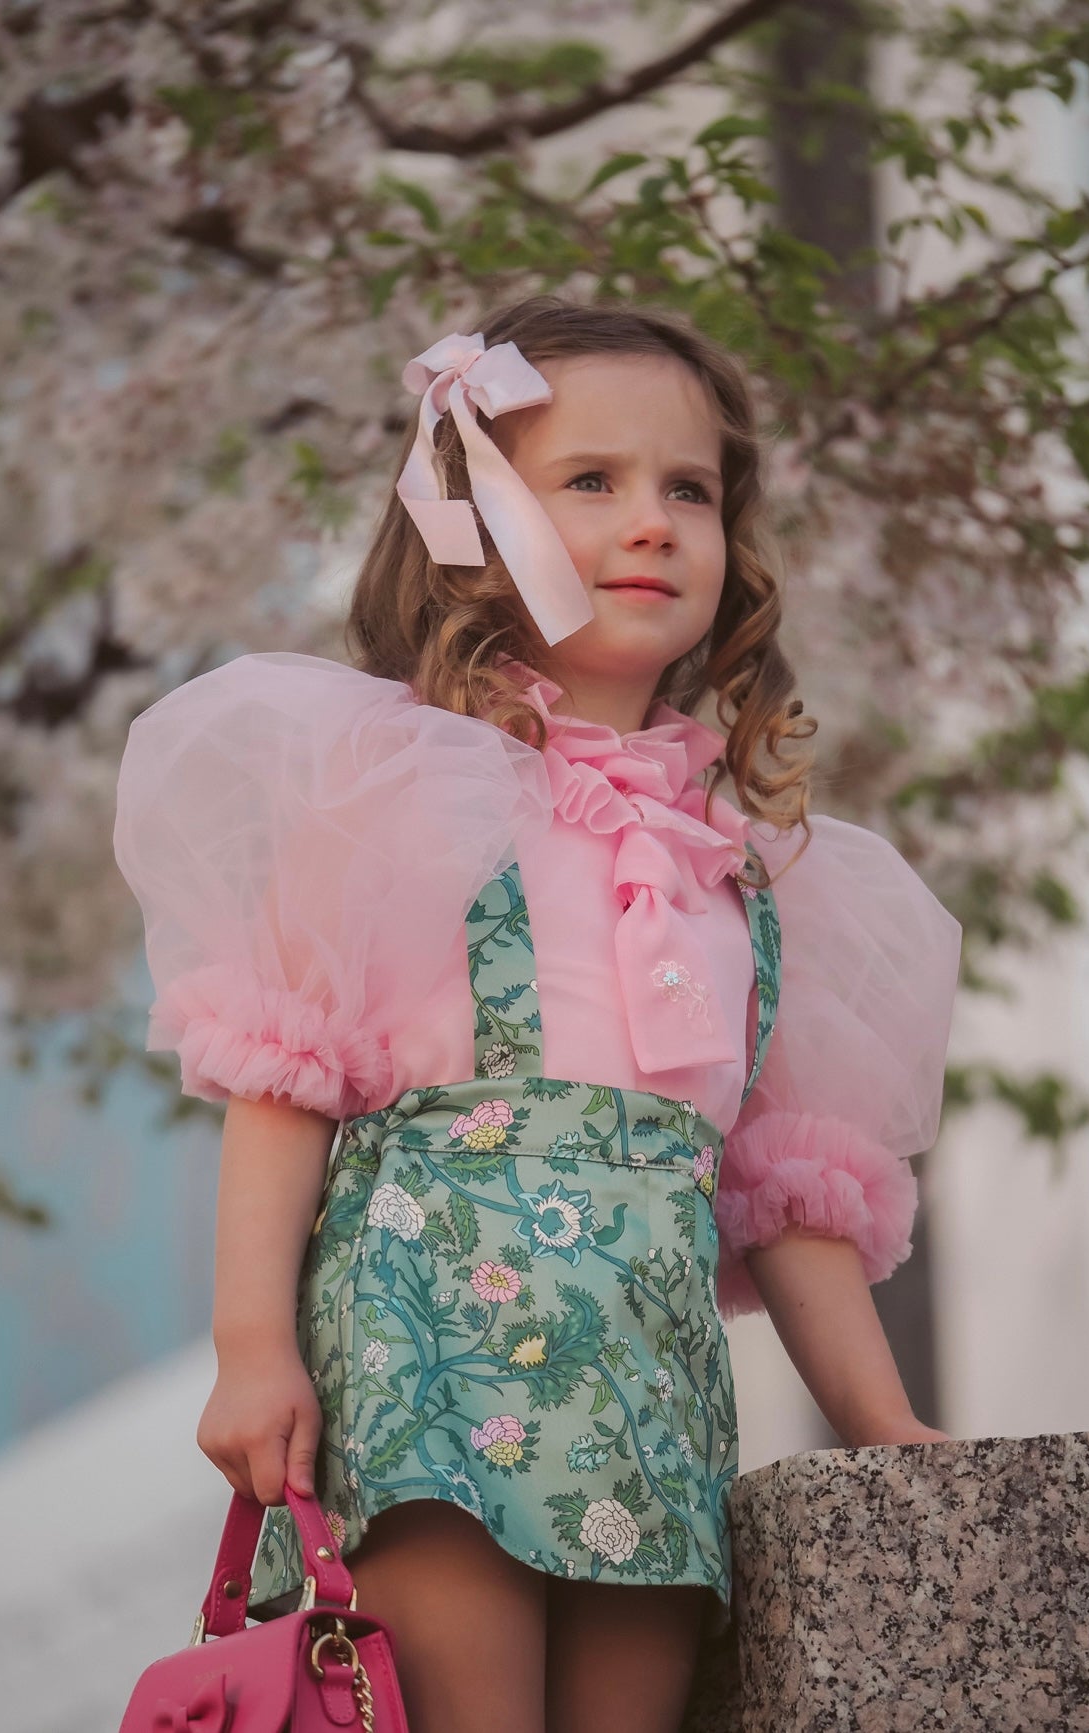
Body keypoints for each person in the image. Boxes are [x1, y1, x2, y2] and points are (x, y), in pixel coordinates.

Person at [113, 296, 962, 1733]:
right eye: (592, 481)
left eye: (688, 488)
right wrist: (251, 1344)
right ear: (472, 521)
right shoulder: (400, 790)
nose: (653, 521)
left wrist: (888, 1431)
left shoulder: (747, 870)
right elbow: (289, 1079)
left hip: (649, 1389)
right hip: (429, 1358)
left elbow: (783, 1192)